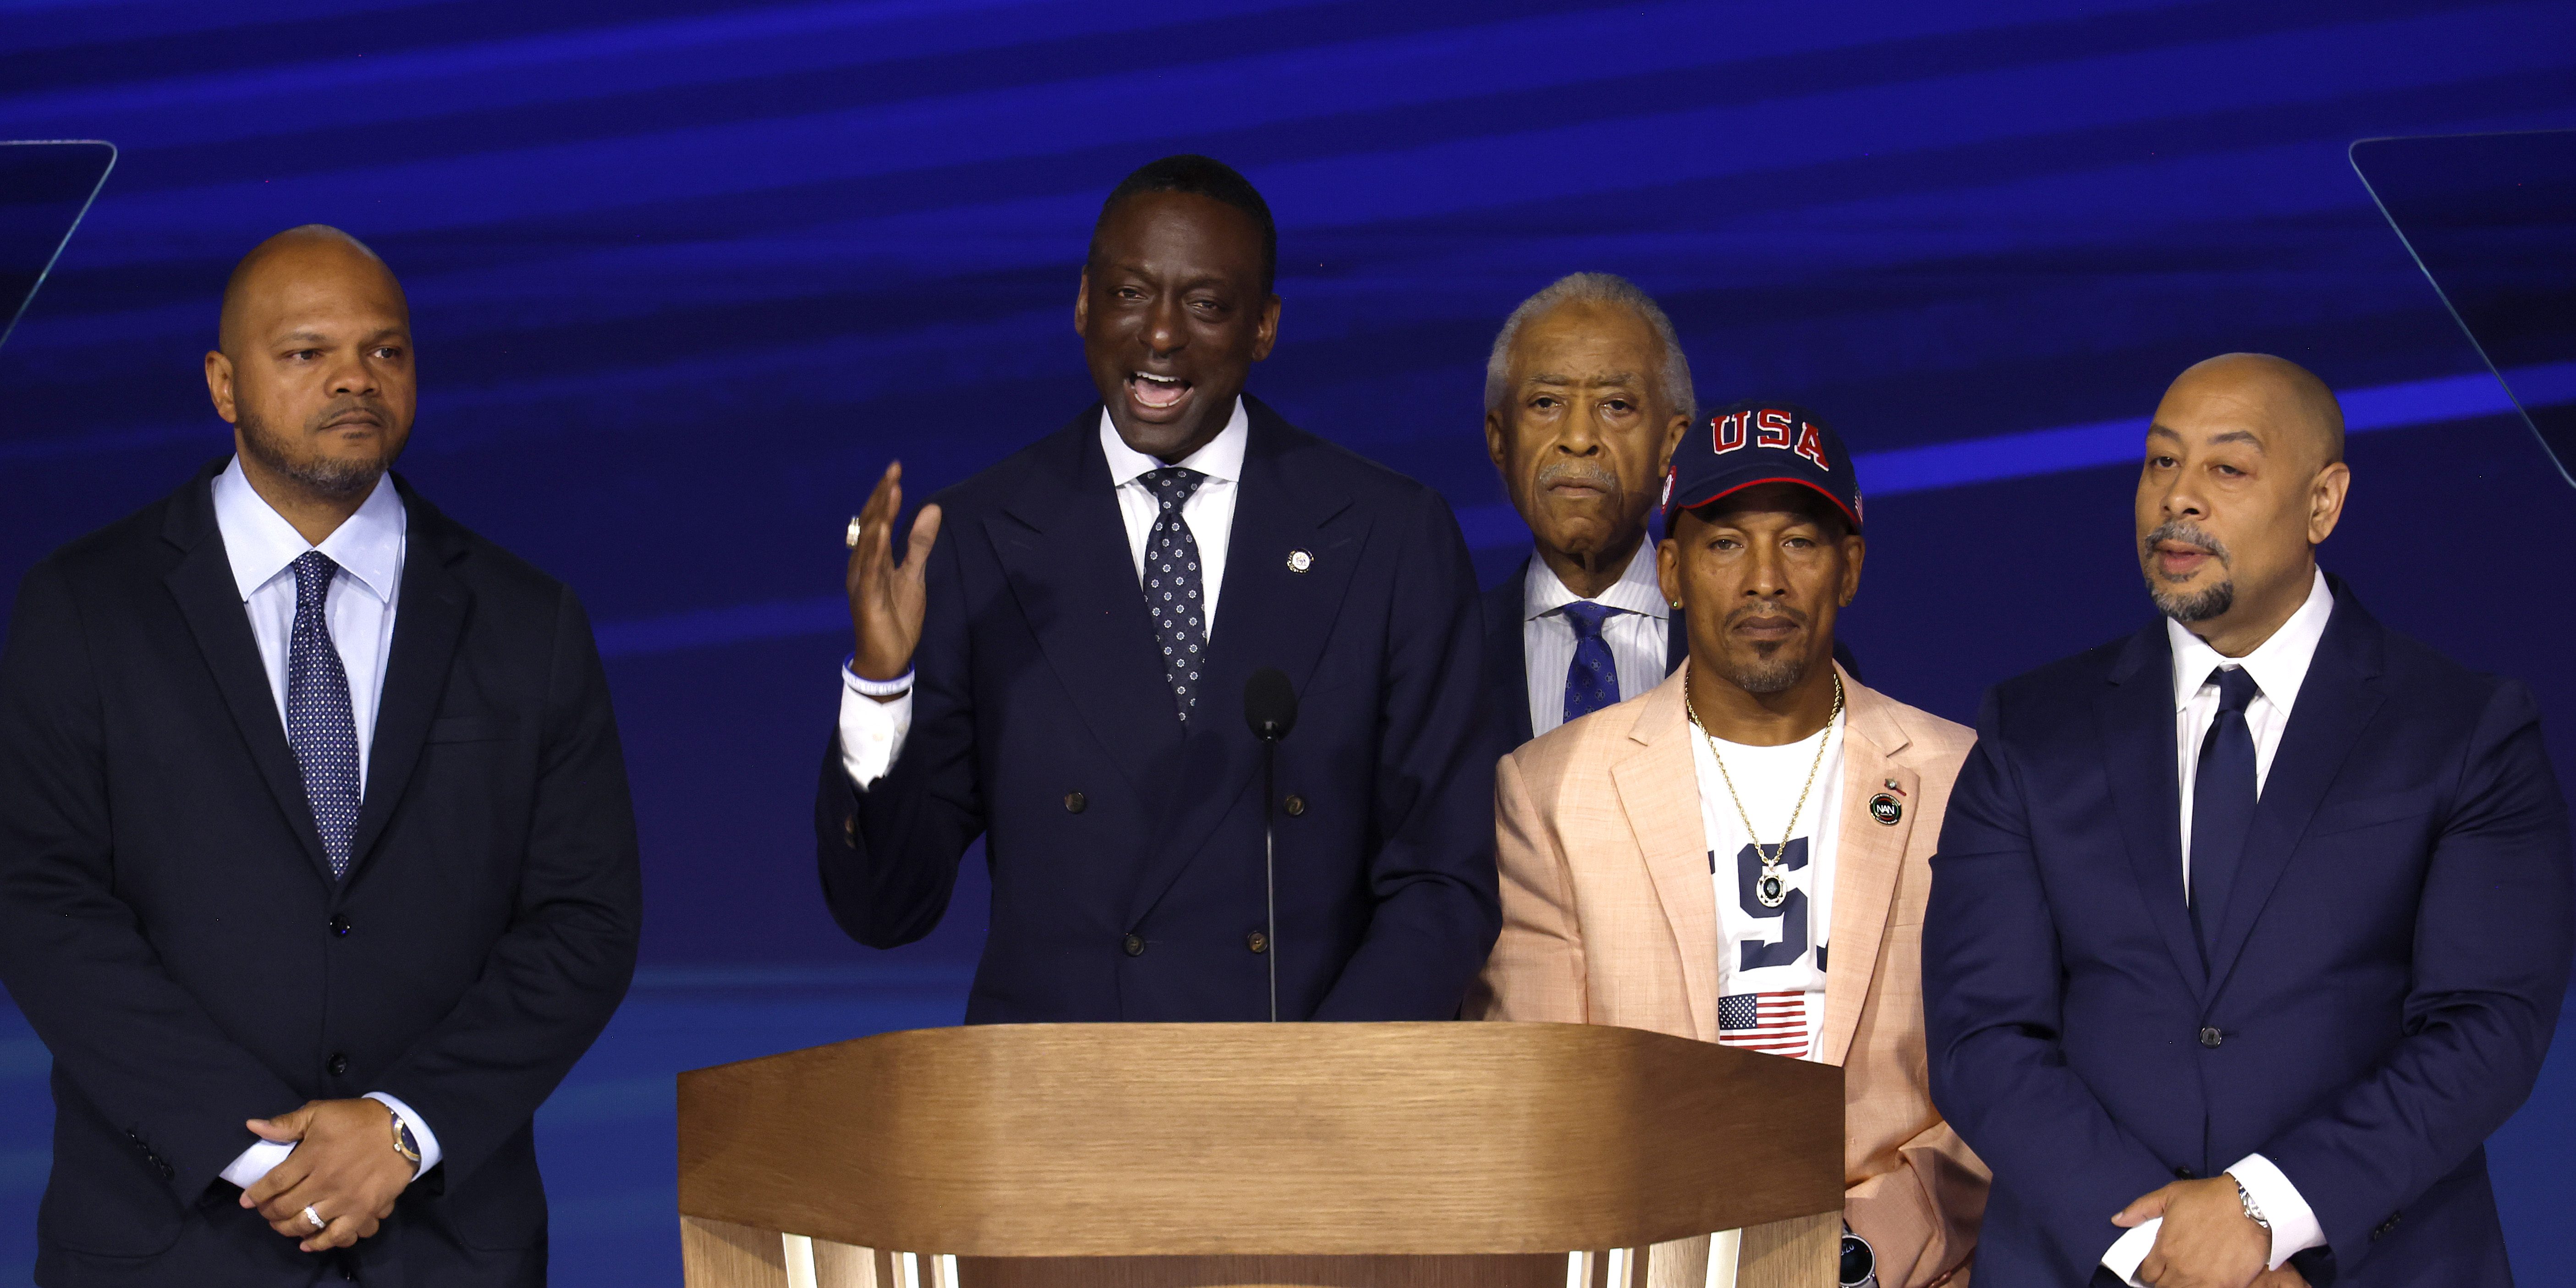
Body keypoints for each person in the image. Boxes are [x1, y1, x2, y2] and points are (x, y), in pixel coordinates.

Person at [0, 226, 642, 1285]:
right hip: (168, 1243)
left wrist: (402, 1129)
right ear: (223, 382)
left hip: (443, 1245)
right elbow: (39, 903)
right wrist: (263, 1153)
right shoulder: (84, 605)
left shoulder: (530, 620)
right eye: (306, 352)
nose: (355, 377)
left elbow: (586, 919)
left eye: (386, 351)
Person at [1924, 354, 2572, 1288]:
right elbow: (1978, 1035)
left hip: (2373, 1261)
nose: (2176, 499)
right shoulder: (2031, 728)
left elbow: (2483, 1026)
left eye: (2224, 469)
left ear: (2321, 502)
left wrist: (2265, 1212)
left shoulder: (2464, 728)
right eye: (2158, 464)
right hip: (2090, 1263)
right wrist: (2170, 1251)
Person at [819, 155, 1499, 1022]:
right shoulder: (978, 539)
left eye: (1208, 305)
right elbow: (886, 908)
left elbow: (1441, 882)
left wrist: (1321, 1083)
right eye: (1130, 294)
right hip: (1060, 1115)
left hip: (1303, 1114)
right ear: (1082, 305)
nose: (1162, 336)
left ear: (1264, 326)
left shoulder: (1389, 535)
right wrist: (882, 685)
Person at [1471, 401, 1985, 1288]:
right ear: (1670, 571)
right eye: (1724, 545)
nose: (1763, 581)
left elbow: (1999, 1077)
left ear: (1850, 567)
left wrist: (1852, 1261)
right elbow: (1544, 1092)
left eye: (1799, 542)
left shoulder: (1956, 775)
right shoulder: (1552, 789)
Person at [1480, 275, 1856, 747]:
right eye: (1545, 403)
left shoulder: (1784, 647)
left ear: (1672, 443)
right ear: (1499, 438)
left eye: (1616, 405)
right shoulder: (1437, 657)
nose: (1578, 437)